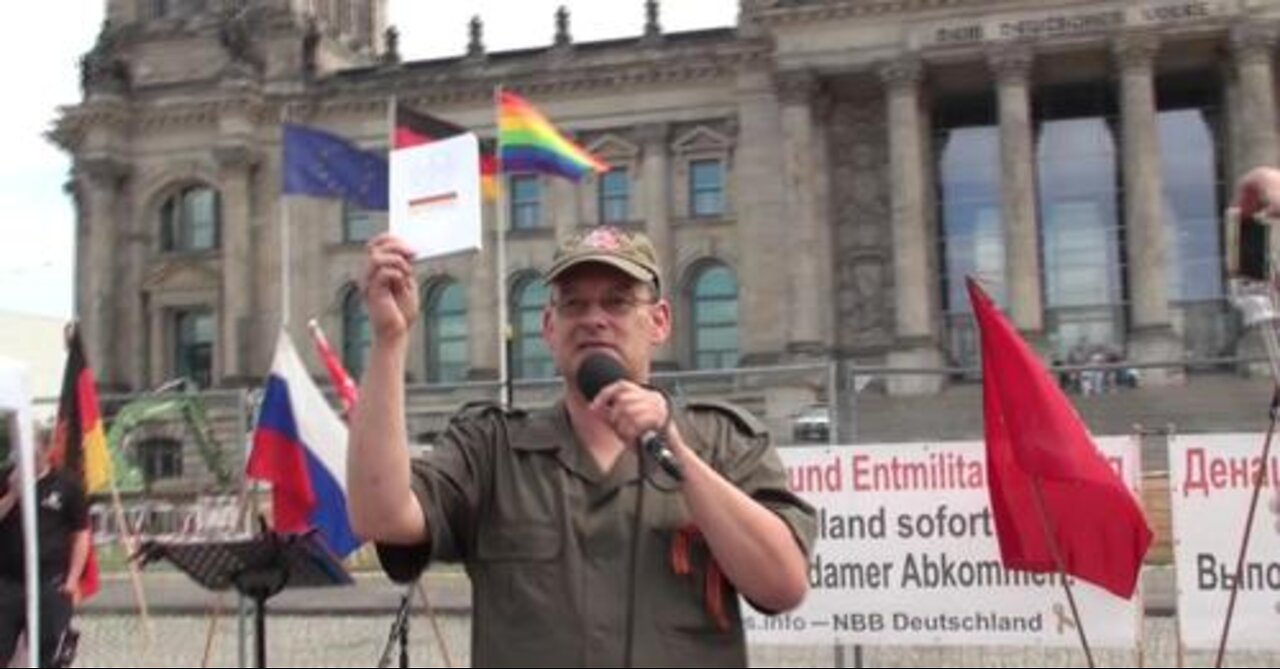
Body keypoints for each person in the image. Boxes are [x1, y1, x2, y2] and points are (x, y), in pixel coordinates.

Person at [348, 227, 816, 667]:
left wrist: (675, 453)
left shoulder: (722, 444)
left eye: (617, 302)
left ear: (659, 321)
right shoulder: (493, 450)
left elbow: (783, 584)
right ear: (549, 327)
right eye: (574, 305)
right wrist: (390, 341)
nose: (594, 319)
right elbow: (380, 516)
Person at [0, 422, 90, 667]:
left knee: (50, 655)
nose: (29, 458)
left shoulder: (66, 484)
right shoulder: (5, 478)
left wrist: (72, 580)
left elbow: (81, 534)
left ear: (45, 448)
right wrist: (13, 495)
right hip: (8, 582)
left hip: (51, 583)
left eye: (33, 452)